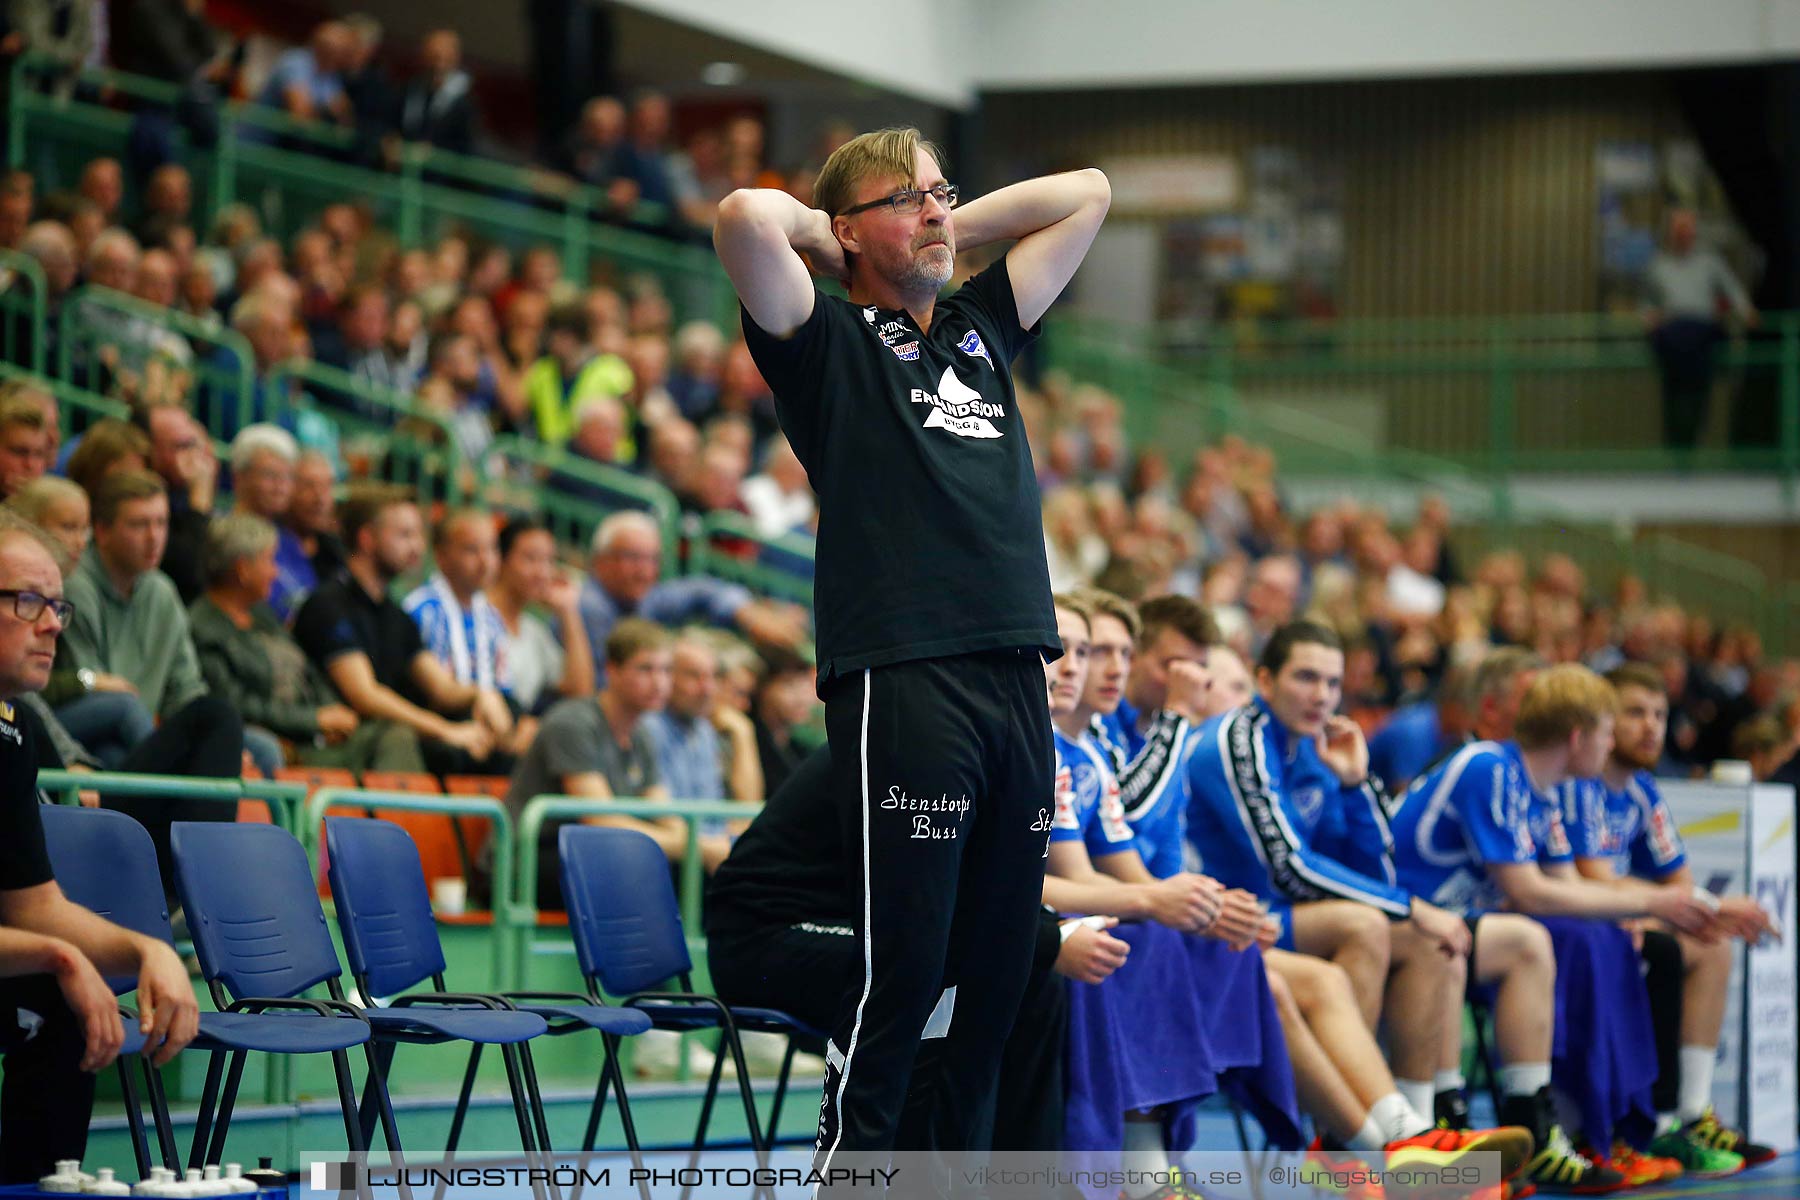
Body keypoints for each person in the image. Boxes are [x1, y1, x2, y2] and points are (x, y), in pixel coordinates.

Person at [716, 125, 1112, 1161]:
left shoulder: (981, 327)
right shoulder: (825, 344)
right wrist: (844, 239)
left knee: (996, 973)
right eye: (910, 199)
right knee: (909, 976)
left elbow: (1091, 190)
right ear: (846, 233)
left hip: (1019, 672)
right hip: (907, 675)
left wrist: (929, 221)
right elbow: (745, 218)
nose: (939, 212)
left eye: (945, 193)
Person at [1390, 663, 1721, 1193]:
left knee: (1555, 940)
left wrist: (1647, 907)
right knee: (1527, 940)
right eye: (1608, 730)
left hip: (1450, 923)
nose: (1612, 742)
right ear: (1577, 736)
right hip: (1402, 914)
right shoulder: (1490, 767)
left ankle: (1538, 1122)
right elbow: (1530, 892)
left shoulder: (1538, 791)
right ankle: (1451, 1124)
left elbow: (1569, 886)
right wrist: (1656, 899)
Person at [1183, 620, 1471, 1129]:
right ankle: (1356, 1133)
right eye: (1306, 678)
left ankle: (1423, 1125)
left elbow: (1375, 868)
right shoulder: (1235, 739)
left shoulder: (1317, 748)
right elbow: (1288, 867)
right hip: (1231, 922)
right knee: (1368, 923)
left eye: (1333, 683)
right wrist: (1410, 906)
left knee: (1425, 942)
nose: (1322, 696)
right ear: (1265, 682)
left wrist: (1356, 784)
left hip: (1287, 921)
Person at [0, 513, 198, 1182]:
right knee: (60, 978)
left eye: (58, 605)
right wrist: (60, 956)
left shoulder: (15, 730)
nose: (53, 623)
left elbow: (35, 908)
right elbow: (43, 938)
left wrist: (151, 948)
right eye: (28, 601)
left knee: (61, 997)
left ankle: (37, 1181)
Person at [1559, 662, 1778, 1173]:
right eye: (1634, 713)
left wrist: (1691, 912)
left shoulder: (1642, 791)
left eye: (1659, 714)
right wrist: (1707, 906)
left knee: (1709, 944)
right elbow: (1592, 880)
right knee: (1654, 941)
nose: (1651, 726)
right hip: (1579, 919)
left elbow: (1677, 886)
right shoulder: (1580, 786)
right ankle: (1633, 1123)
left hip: (1617, 916)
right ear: (1602, 722)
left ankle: (1688, 1115)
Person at [57, 470, 245, 893]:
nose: (154, 537)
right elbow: (98, 695)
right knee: (193, 718)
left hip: (140, 740)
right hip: (87, 741)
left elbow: (185, 689)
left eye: (161, 523)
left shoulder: (162, 592)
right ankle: (198, 889)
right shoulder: (75, 585)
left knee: (252, 743)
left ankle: (183, 886)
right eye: (139, 524)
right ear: (101, 531)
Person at [292, 484, 506, 775]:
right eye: (404, 535)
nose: (417, 546)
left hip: (382, 741)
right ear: (367, 538)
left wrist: (482, 695)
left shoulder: (397, 615)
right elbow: (365, 696)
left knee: (488, 752)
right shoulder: (328, 604)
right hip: (335, 744)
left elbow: (442, 689)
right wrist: (444, 729)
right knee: (406, 739)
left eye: (419, 535)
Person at [188, 514, 405, 775]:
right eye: (270, 560)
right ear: (243, 569)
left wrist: (332, 712)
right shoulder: (204, 627)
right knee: (393, 740)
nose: (275, 572)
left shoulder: (261, 615)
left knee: (392, 735)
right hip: (279, 744)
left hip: (313, 736)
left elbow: (307, 668)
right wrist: (313, 720)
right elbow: (234, 704)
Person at [504, 619, 688, 908]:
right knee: (641, 871)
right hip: (528, 859)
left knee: (695, 872)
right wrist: (689, 847)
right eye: (645, 669)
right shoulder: (573, 722)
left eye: (666, 670)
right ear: (611, 671)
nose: (659, 682)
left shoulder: (641, 735)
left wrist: (692, 846)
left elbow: (663, 812)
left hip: (590, 854)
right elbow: (601, 822)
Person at [577, 510, 807, 678]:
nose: (645, 571)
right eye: (633, 558)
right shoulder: (591, 607)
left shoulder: (643, 599)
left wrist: (746, 612)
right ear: (600, 560)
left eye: (653, 559)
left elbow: (700, 590)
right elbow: (604, 688)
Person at [1643, 209, 1757, 453]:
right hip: (1673, 337)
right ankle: (1677, 445)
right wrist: (1649, 317)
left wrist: (1746, 311)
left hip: (1701, 334)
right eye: (1678, 231)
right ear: (1670, 234)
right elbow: (1647, 304)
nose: (1684, 235)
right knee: (1675, 395)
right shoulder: (1658, 266)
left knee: (1697, 394)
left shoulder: (1710, 262)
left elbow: (1732, 289)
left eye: (1688, 230)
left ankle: (1692, 438)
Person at [488, 515, 592, 717]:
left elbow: (581, 692)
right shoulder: (476, 615)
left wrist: (568, 612)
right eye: (531, 559)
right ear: (501, 559)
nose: (543, 572)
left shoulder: (533, 631)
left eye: (549, 561)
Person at [645, 630, 762, 805]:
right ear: (667, 676)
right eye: (693, 675)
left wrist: (744, 732)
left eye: (712, 676)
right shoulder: (648, 727)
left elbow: (747, 807)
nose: (707, 689)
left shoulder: (703, 730)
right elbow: (666, 815)